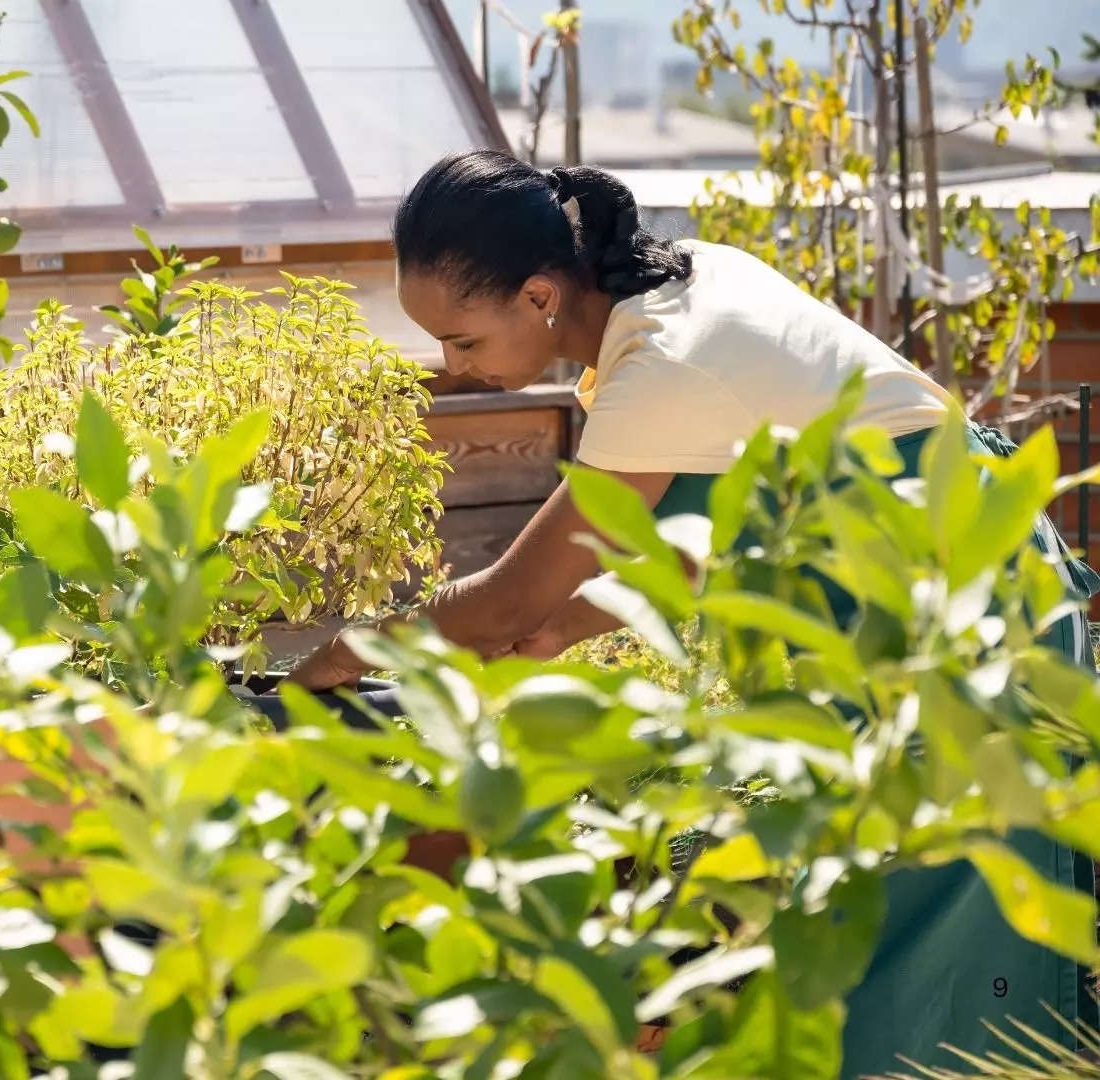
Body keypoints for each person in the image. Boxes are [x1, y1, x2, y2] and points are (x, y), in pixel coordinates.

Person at [286, 148, 1098, 1076]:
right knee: (869, 954)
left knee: (914, 968)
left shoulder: (661, 365)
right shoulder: (680, 293)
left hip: (968, 630)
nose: (449, 366)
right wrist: (566, 629)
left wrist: (342, 655)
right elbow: (725, 527)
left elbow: (508, 594)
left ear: (541, 296)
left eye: (462, 340)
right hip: (932, 616)